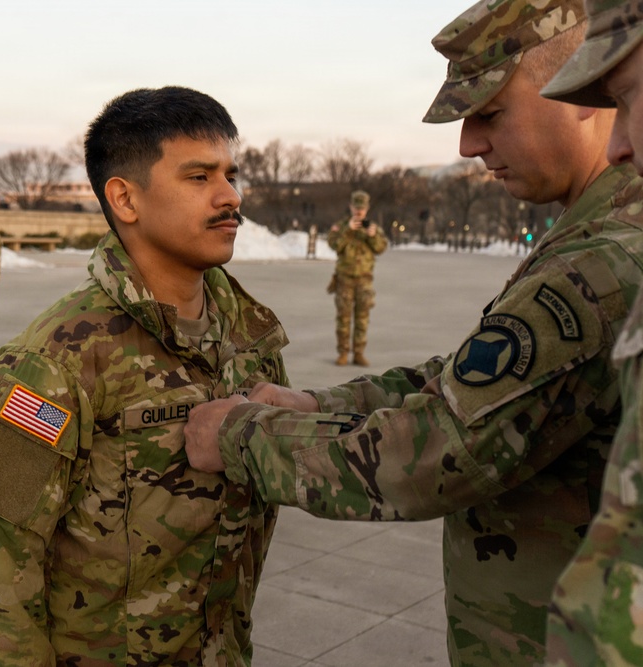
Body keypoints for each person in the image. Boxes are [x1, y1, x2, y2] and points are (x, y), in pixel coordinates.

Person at [183, 1, 643, 665]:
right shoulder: (591, 232)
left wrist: (239, 437)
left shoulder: (601, 260)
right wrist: (319, 404)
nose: (468, 145)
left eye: (491, 113)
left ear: (579, 88)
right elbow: (472, 379)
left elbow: (436, 452)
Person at [0, 86, 289, 665]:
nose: (230, 196)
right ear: (125, 198)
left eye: (231, 174)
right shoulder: (57, 359)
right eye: (199, 177)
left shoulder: (250, 337)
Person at [539, 2, 643, 663]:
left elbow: (453, 437)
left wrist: (248, 437)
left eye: (630, 98)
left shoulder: (602, 257)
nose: (619, 145)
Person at [327, 189, 387, 366]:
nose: (359, 211)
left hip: (364, 280)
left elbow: (381, 248)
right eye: (356, 207)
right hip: (344, 279)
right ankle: (343, 353)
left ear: (367, 208)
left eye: (362, 208)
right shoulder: (341, 226)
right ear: (351, 207)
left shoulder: (372, 228)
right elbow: (334, 245)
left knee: (362, 318)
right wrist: (347, 230)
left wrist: (372, 236)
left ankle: (359, 353)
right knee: (343, 318)